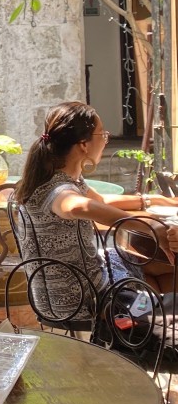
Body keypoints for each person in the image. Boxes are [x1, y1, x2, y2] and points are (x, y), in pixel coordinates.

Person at [14, 101, 178, 316]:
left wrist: (149, 200)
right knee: (168, 280)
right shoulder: (59, 189)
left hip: (72, 288)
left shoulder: (58, 178)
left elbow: (98, 201)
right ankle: (148, 324)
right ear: (84, 144)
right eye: (103, 135)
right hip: (80, 300)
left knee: (162, 269)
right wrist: (151, 227)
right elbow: (77, 205)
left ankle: (143, 327)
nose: (106, 140)